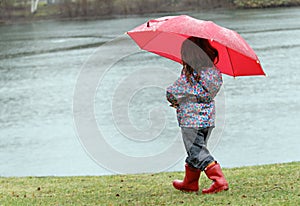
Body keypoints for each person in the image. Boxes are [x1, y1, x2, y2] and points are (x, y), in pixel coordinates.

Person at [166, 36, 229, 194]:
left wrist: (175, 100)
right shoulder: (214, 73)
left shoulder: (191, 76)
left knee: (196, 151)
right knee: (197, 150)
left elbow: (172, 93)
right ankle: (190, 183)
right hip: (207, 120)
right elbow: (204, 93)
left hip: (190, 121)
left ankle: (219, 180)